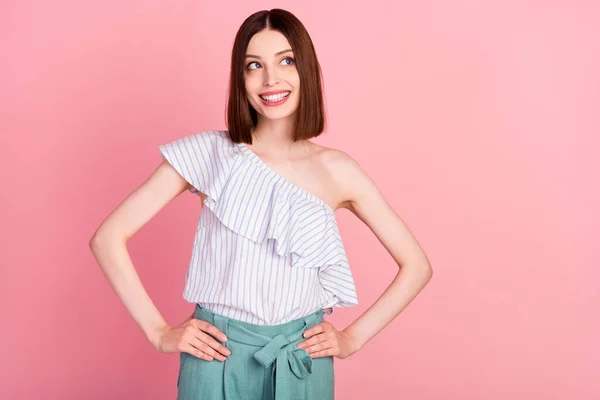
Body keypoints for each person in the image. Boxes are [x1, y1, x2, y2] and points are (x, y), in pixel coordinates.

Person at [89, 8, 433, 400]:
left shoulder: (338, 170)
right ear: (241, 78)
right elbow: (108, 237)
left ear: (305, 69)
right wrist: (157, 330)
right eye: (255, 65)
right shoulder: (211, 153)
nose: (271, 79)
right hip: (215, 357)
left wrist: (352, 338)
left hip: (301, 361)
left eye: (286, 60)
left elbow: (417, 266)